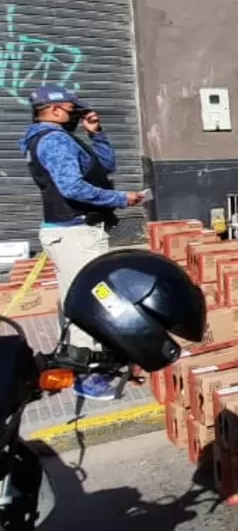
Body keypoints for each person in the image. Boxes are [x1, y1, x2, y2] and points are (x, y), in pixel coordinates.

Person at [21, 88, 145, 401]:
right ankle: (87, 375)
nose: (78, 115)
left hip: (74, 232)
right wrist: (121, 199)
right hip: (75, 233)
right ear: (53, 109)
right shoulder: (54, 140)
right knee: (89, 301)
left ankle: (96, 358)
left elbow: (105, 167)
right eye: (73, 110)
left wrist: (97, 134)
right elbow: (72, 187)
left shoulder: (56, 138)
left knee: (84, 297)